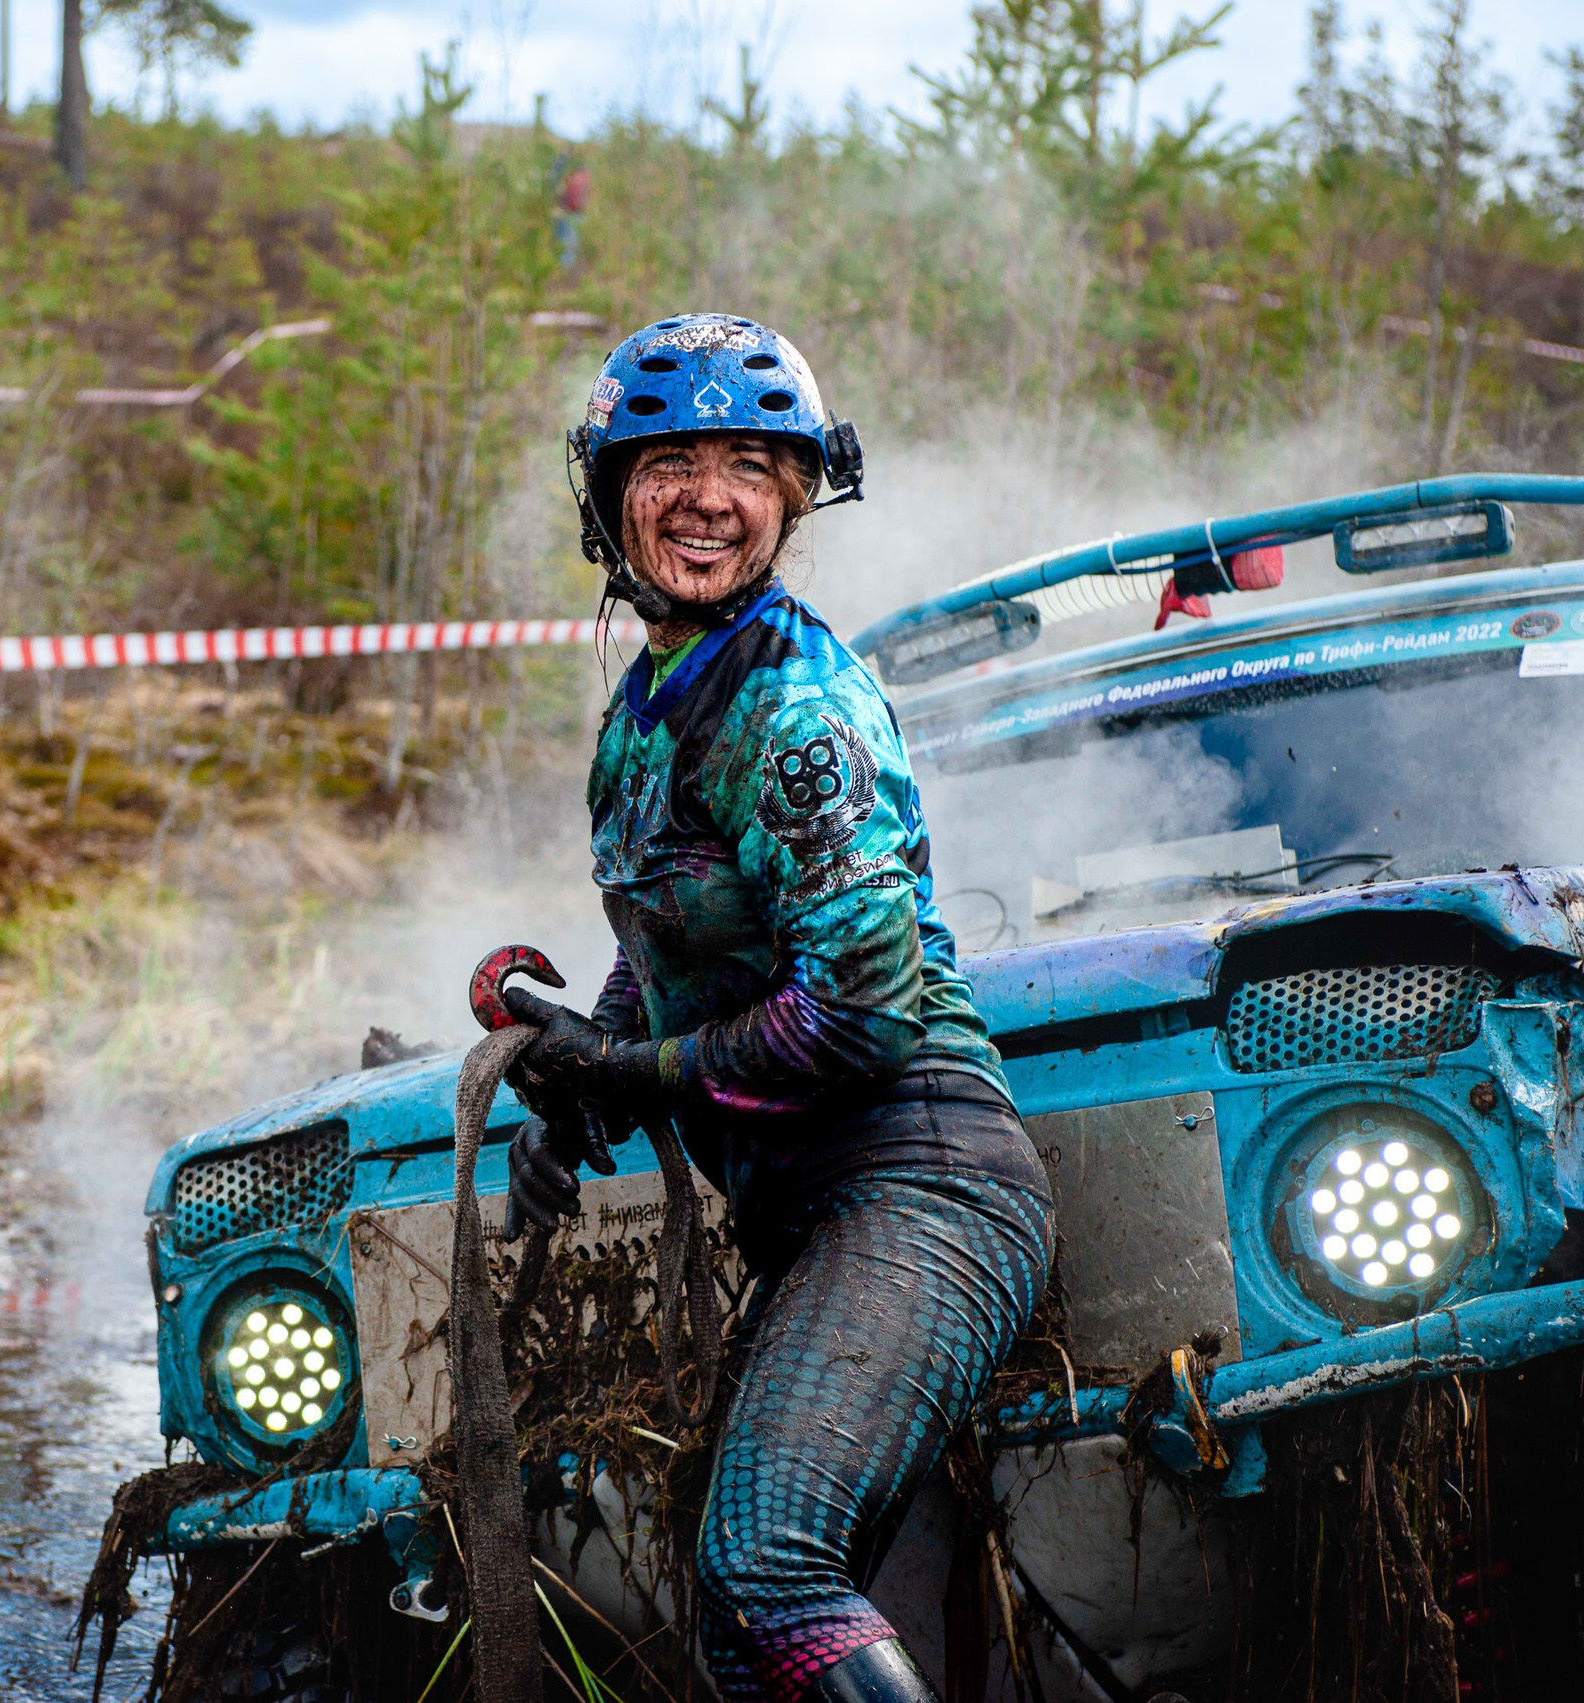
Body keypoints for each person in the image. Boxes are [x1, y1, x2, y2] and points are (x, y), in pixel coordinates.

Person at [499, 313, 1053, 1703]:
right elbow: (676, 950)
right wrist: (579, 1068)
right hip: (822, 1204)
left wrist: (632, 1077)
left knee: (768, 1568)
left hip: (919, 1182)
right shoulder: (649, 707)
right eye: (666, 458)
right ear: (606, 494)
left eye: (750, 462)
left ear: (795, 500)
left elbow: (859, 1020)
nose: (707, 495)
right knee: (736, 1638)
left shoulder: (793, 705)